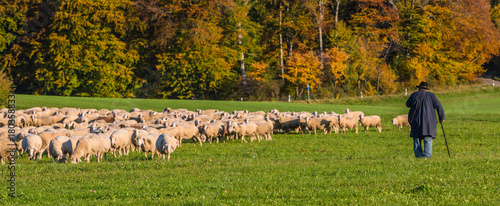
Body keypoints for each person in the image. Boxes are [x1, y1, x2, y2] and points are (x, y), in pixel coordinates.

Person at [406, 81, 445, 158]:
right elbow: (439, 106)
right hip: (429, 121)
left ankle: (418, 156)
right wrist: (441, 118)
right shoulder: (431, 96)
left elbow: (407, 104)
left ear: (419, 88)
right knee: (428, 138)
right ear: (427, 89)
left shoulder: (414, 94)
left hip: (416, 120)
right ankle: (427, 156)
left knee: (416, 138)